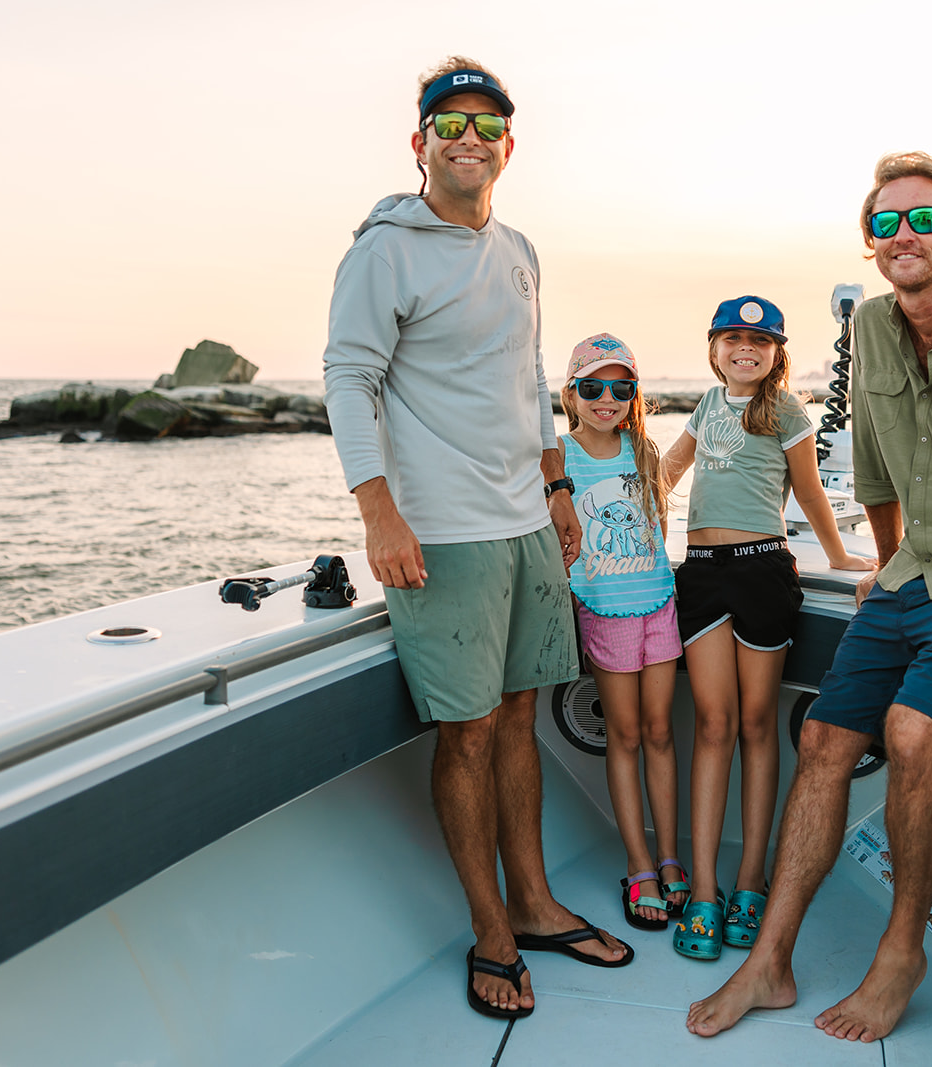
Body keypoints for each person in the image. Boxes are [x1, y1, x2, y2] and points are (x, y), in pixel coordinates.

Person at [686, 151, 932, 1043]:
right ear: (870, 244)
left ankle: (902, 950)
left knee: (910, 732)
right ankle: (770, 960)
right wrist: (885, 563)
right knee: (823, 735)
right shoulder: (869, 323)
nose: (904, 234)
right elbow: (874, 464)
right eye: (886, 223)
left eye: (923, 218)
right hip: (908, 578)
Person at [321, 58, 632, 1023]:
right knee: (466, 732)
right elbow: (347, 379)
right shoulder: (386, 250)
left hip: (526, 521)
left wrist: (556, 486)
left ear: (509, 146)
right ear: (419, 144)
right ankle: (491, 929)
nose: (469, 138)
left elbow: (527, 372)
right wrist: (380, 511)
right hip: (443, 532)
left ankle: (536, 904)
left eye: (487, 125)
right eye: (448, 123)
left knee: (520, 718)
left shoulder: (520, 248)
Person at [661, 297, 873, 961]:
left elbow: (809, 491)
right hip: (700, 573)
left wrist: (839, 558)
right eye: (733, 338)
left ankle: (750, 879)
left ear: (777, 352)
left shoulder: (785, 410)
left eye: (759, 340)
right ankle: (703, 888)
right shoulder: (704, 406)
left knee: (756, 726)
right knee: (713, 725)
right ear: (714, 346)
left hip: (761, 569)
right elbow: (666, 471)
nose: (745, 349)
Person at [557, 333, 689, 932]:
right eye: (593, 387)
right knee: (627, 735)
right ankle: (636, 863)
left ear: (634, 395)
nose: (606, 399)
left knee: (662, 731)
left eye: (620, 388)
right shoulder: (557, 456)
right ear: (571, 394)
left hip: (657, 602)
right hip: (604, 610)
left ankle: (668, 856)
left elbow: (657, 524)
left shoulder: (644, 449)